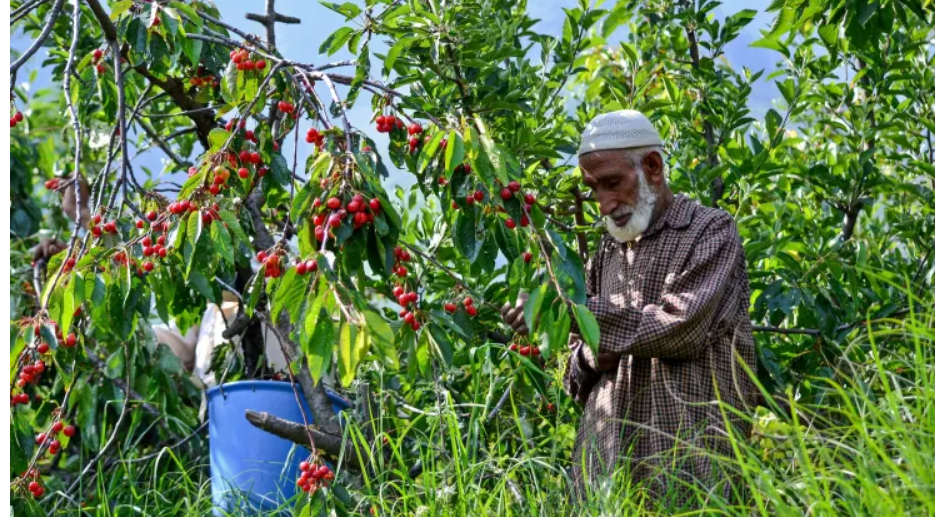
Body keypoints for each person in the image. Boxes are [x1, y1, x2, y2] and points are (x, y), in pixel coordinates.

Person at [501, 110, 759, 506]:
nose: (604, 204)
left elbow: (681, 327)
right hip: (605, 479)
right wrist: (588, 355)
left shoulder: (710, 231)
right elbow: (575, 377)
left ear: (653, 167)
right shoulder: (607, 252)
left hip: (693, 473)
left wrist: (568, 310)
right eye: (593, 189)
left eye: (613, 183)